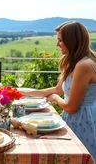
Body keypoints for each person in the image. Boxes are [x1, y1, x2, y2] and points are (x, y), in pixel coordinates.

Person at [20, 21, 96, 160]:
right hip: (75, 120)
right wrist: (22, 92)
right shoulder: (75, 62)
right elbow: (57, 89)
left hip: (84, 123)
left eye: (60, 40)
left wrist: (54, 98)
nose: (57, 44)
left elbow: (71, 107)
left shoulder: (83, 65)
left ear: (71, 40)